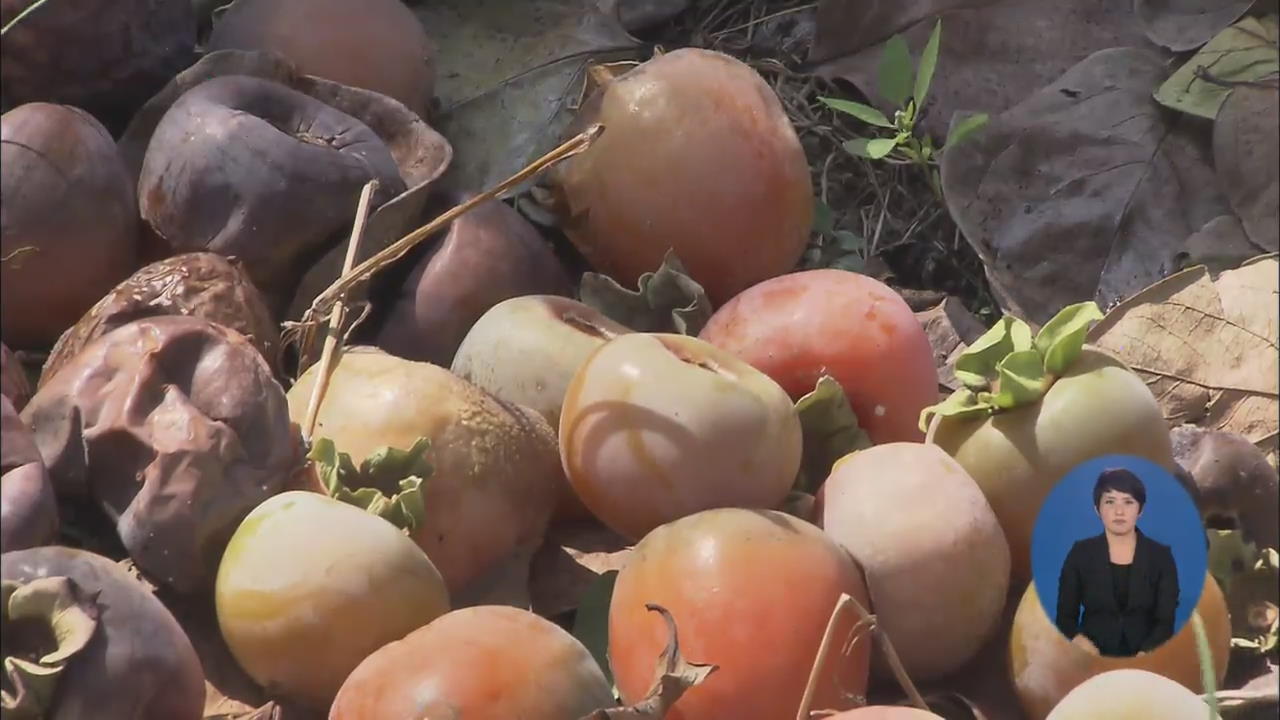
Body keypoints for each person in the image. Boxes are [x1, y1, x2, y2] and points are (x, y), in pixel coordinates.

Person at [1055, 467, 1179, 657]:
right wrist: (1080, 642)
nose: (1119, 511)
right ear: (1097, 509)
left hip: (1149, 662)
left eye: (1128, 502)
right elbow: (1065, 617)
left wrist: (1146, 652)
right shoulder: (1080, 554)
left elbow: (1165, 620)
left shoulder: (1161, 557)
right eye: (1110, 502)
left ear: (1140, 510)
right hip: (1088, 660)